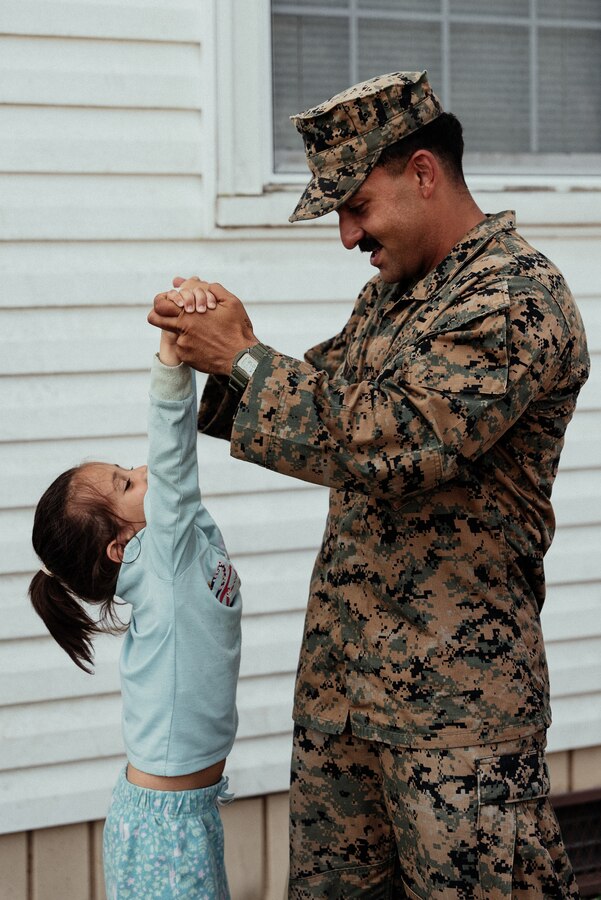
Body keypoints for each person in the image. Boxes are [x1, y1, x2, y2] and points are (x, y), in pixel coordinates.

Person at [148, 71, 589, 898]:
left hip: (456, 722)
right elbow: (324, 393)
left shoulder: (514, 297)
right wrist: (205, 341)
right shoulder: (393, 294)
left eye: (354, 205)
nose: (347, 234)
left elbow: (391, 439)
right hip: (343, 696)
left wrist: (241, 354)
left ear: (422, 172)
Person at [29, 326, 242, 899]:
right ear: (121, 547)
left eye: (129, 469)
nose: (144, 473)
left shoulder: (175, 543)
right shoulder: (159, 559)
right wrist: (172, 360)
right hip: (165, 828)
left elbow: (173, 485)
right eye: (126, 483)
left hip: (181, 812)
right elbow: (172, 457)